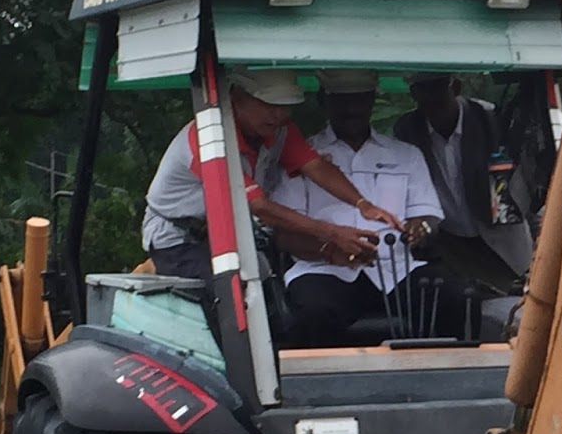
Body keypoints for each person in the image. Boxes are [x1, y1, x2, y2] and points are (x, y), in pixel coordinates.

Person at [271, 70, 480, 346]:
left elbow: (428, 215)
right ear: (324, 101)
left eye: (359, 100)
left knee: (460, 297)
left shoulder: (404, 154)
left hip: (397, 269)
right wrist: (329, 249)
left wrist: (421, 228)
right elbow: (284, 234)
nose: (352, 109)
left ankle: (450, 380)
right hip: (325, 269)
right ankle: (328, 387)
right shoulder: (303, 155)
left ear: (371, 101)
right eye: (342, 101)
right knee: (312, 311)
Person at [141, 66, 400, 280]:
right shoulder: (208, 138)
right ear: (237, 98)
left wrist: (363, 204)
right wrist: (334, 233)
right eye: (269, 104)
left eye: (285, 106)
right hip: (177, 238)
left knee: (268, 287)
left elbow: (316, 167)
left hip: (228, 234)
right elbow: (259, 206)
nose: (278, 114)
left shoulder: (279, 129)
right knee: (230, 291)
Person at [393, 72, 533, 291]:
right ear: (414, 94)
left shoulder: (490, 117)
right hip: (449, 241)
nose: (432, 98)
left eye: (438, 88)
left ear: (455, 87)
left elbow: (526, 173)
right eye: (424, 91)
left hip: (501, 233)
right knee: (469, 303)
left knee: (520, 296)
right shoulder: (407, 130)